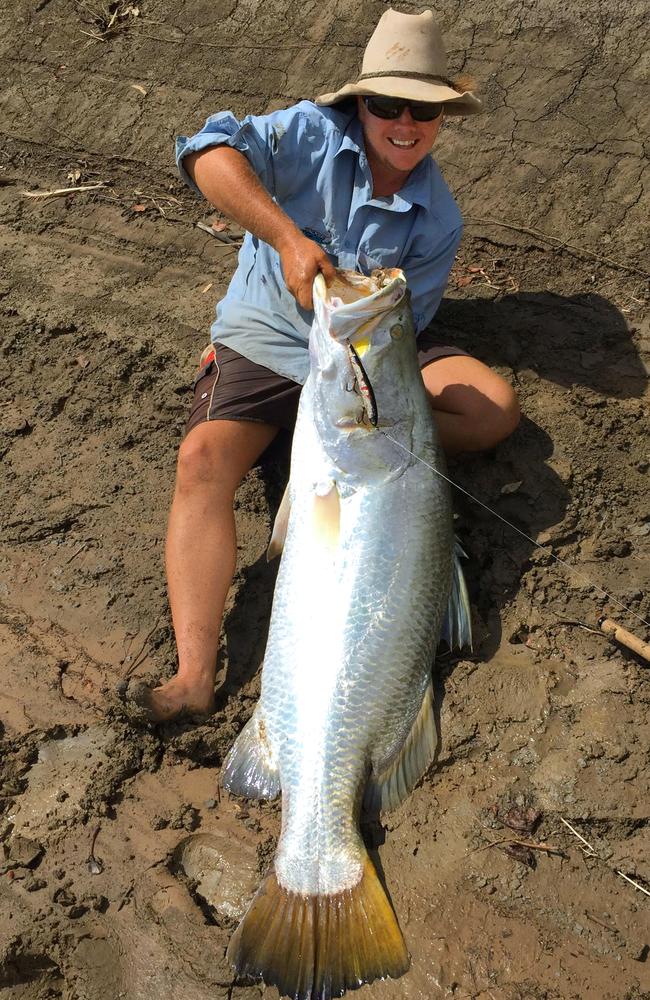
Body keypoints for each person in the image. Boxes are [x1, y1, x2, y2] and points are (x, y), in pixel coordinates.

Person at [133, 8, 520, 722]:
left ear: (442, 117)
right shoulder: (309, 132)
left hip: (368, 350)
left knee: (491, 407)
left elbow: (411, 329)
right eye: (387, 104)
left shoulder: (439, 219)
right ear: (360, 102)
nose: (405, 122)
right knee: (203, 461)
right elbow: (205, 153)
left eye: (425, 109)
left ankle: (325, 448)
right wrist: (284, 238)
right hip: (270, 338)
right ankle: (191, 679)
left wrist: (351, 399)